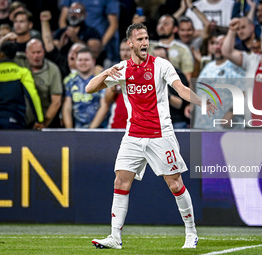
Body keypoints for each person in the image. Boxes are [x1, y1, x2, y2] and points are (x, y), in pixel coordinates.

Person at [85, 23, 216, 249]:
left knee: (175, 184)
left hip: (160, 134)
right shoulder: (122, 69)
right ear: (130, 43)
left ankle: (191, 232)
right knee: (120, 180)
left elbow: (181, 88)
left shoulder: (161, 65)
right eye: (140, 39)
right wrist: (106, 72)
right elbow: (90, 88)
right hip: (133, 135)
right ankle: (115, 237)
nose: (145, 43)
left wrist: (201, 100)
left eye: (146, 38)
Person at [194, 34, 245, 130]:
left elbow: (245, 92)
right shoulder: (208, 66)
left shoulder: (235, 67)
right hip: (203, 124)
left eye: (222, 44)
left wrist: (231, 112)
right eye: (216, 43)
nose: (218, 47)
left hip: (223, 126)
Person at [14, 38, 63, 128]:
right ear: (26, 53)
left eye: (39, 52)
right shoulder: (18, 61)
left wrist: (43, 124)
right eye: (33, 53)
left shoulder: (53, 69)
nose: (36, 56)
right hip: (18, 120)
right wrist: (4, 39)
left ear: (43, 52)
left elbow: (56, 101)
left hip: (42, 120)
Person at [0, 41, 44, 129]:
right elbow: (33, 96)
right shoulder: (22, 72)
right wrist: (39, 120)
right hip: (14, 120)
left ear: (1, 54)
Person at [62, 47, 108, 128]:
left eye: (86, 60)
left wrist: (91, 130)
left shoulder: (101, 81)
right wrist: (69, 130)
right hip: (77, 130)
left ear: (93, 61)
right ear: (76, 62)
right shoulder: (69, 81)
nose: (83, 63)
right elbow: (67, 106)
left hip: (99, 129)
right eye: (80, 60)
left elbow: (104, 106)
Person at [148, 14, 194, 82]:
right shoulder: (148, 46)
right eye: (159, 24)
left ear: (175, 29)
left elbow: (187, 79)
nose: (161, 26)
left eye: (165, 24)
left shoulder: (183, 49)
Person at [153, 45, 190, 128]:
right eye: (155, 59)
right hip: (155, 120)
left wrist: (163, 93)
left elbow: (179, 104)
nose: (159, 62)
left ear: (168, 59)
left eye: (162, 58)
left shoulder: (177, 74)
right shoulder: (147, 75)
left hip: (176, 120)